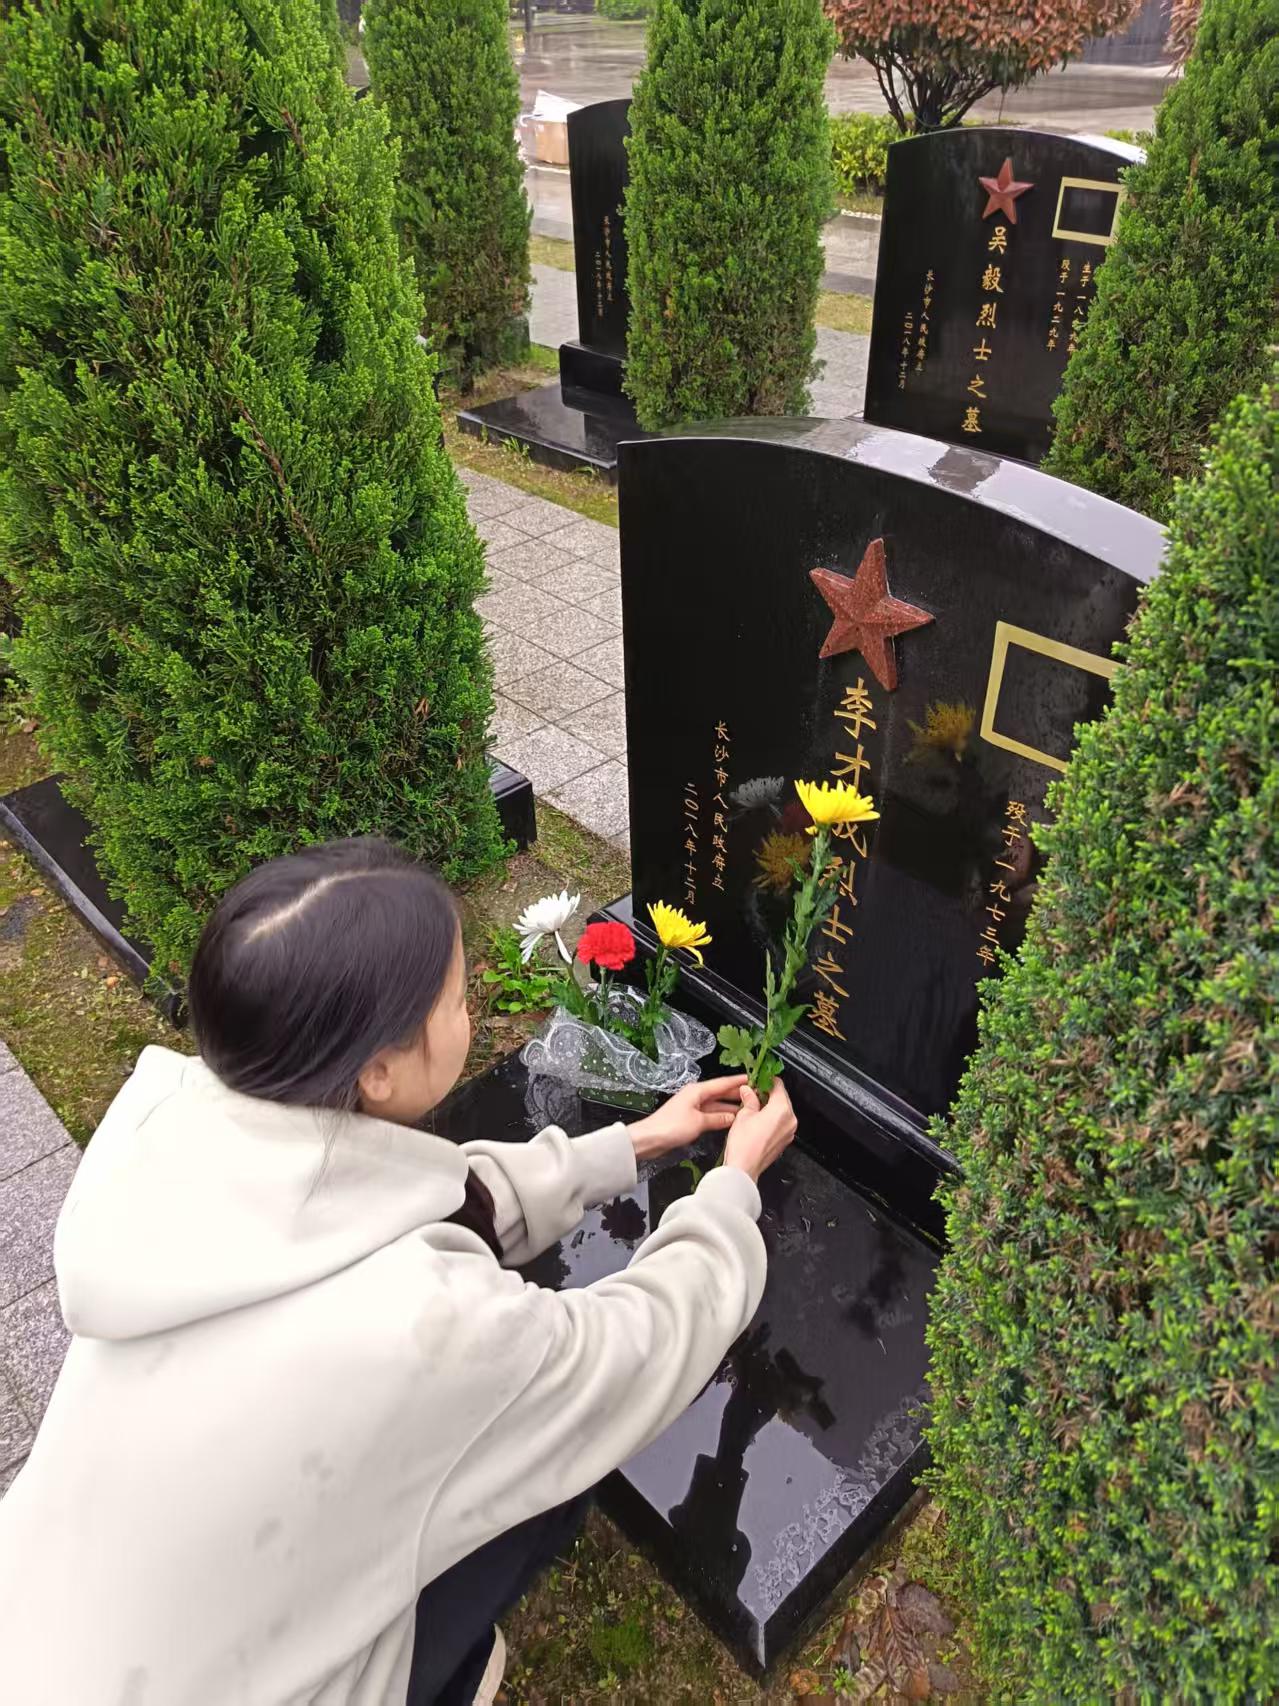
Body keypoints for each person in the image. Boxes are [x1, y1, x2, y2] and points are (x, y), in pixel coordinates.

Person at [0, 837, 796, 1705]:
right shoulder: (419, 1323)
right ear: (378, 1071)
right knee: (554, 1465)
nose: (473, 1007)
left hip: (43, 1634)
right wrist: (731, 1189)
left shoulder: (181, 1148)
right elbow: (619, 1360)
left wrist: (633, 1143)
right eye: (457, 1000)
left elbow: (425, 1202)